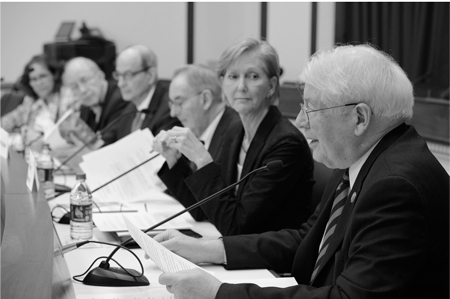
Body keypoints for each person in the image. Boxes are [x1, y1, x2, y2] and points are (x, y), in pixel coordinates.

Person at [153, 44, 449, 299]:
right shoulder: (364, 156)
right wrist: (209, 250)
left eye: (311, 109)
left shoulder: (396, 186)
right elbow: (307, 240)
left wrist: (219, 293)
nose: (301, 122)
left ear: (359, 118)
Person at [152, 38, 314, 236]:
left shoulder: (286, 143)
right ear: (222, 83)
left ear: (271, 86)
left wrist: (202, 160)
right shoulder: (235, 131)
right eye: (233, 76)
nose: (241, 87)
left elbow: (237, 226)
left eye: (253, 76)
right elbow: (203, 208)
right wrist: (174, 160)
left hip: (268, 261)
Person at [154, 64, 240, 221]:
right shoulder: (203, 131)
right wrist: (173, 159)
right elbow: (199, 208)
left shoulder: (234, 133)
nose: (173, 113)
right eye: (171, 105)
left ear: (205, 99)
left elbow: (218, 210)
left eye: (179, 103)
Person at [103, 45, 180, 145]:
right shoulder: (129, 109)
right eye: (118, 75)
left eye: (128, 75)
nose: (120, 84)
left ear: (150, 75)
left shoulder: (169, 108)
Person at [1, 54, 76, 144]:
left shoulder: (67, 95)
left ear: (54, 75)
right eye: (34, 79)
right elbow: (6, 123)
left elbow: (70, 136)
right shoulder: (30, 101)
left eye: (43, 76)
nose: (39, 83)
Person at [62, 57, 129, 137]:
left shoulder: (121, 98)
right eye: (74, 86)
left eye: (85, 80)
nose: (82, 90)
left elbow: (108, 141)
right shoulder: (86, 103)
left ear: (100, 76)